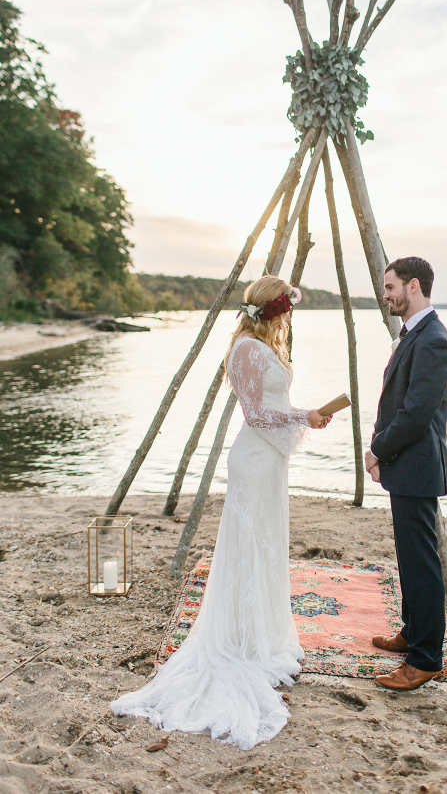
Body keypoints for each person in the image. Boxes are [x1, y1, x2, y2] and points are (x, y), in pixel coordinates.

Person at [111, 276, 330, 749]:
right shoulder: (248, 350)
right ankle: (244, 641)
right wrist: (304, 416)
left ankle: (262, 635)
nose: (289, 315)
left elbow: (276, 404)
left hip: (271, 458)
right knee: (250, 544)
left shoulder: (262, 346)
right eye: (286, 308)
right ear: (274, 310)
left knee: (268, 543)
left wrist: (304, 414)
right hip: (254, 457)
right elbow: (255, 415)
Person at [365, 257, 447, 692]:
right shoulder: (415, 334)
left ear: (413, 286)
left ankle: (425, 659)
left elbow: (417, 413)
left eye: (390, 286)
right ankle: (412, 632)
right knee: (409, 557)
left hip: (415, 464)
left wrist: (377, 448)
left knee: (421, 563)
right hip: (407, 465)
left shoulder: (434, 339)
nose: (385, 294)